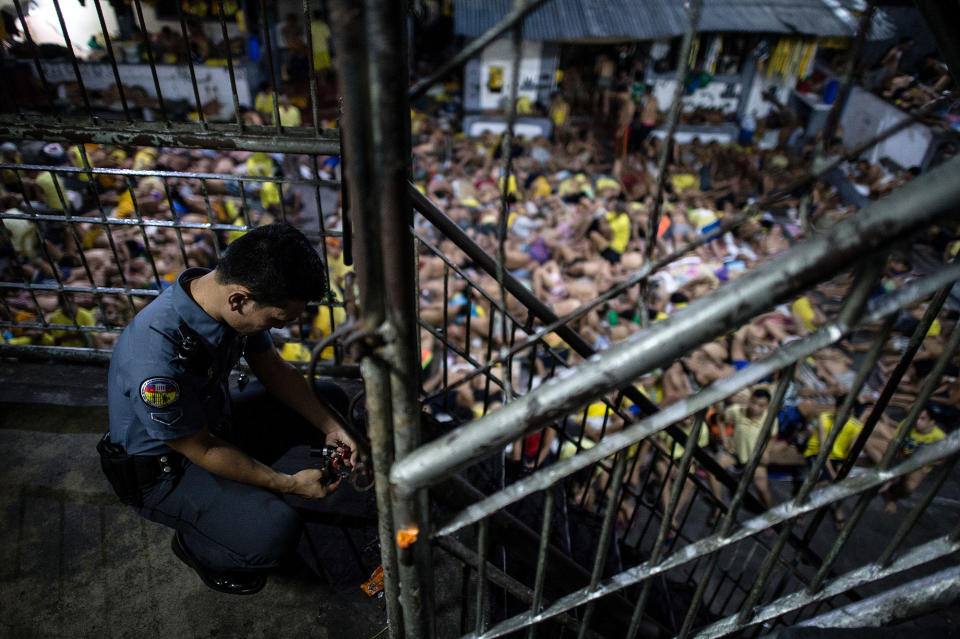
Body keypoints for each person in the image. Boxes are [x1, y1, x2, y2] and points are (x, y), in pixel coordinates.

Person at [102, 223, 359, 594]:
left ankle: (235, 502)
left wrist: (331, 426)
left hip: (212, 422)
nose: (282, 327)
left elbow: (270, 366)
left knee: (330, 401)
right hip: (165, 469)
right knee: (272, 534)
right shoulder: (155, 362)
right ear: (239, 300)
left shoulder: (225, 296)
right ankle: (198, 545)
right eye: (277, 320)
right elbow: (200, 449)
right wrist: (287, 484)